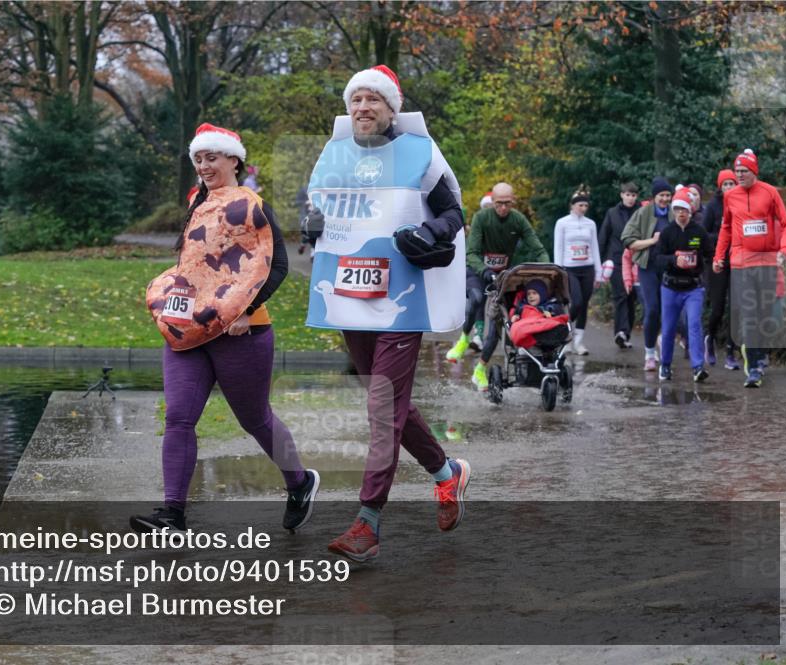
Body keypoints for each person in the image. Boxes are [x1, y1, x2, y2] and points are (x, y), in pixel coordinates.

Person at [303, 65, 470, 563]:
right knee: (391, 402)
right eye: (356, 100)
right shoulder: (334, 153)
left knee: (382, 407)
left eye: (373, 100)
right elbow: (316, 212)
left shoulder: (420, 152)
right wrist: (311, 224)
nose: (363, 108)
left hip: (402, 298)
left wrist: (430, 232)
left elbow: (454, 214)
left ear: (391, 108)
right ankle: (447, 474)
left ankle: (367, 522)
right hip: (349, 297)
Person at [134, 124, 319, 533]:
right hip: (188, 329)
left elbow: (278, 266)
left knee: (255, 420)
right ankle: (172, 514)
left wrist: (245, 310)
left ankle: (299, 482)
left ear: (234, 160)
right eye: (198, 159)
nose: (204, 166)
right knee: (179, 418)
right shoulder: (196, 202)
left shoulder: (251, 205)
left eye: (212, 158)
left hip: (242, 333)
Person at [446, 182, 549, 382]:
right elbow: (472, 253)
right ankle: (464, 339)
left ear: (513, 202)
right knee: (476, 298)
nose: (503, 208)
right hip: (478, 271)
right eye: (499, 203)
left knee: (499, 323)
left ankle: (480, 369)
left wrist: (546, 269)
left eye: (507, 203)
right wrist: (484, 270)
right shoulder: (482, 218)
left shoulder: (518, 220)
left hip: (503, 276)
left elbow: (538, 248)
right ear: (492, 201)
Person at [714, 148, 786, 388]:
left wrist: (784, 250)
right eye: (737, 171)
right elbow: (726, 228)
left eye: (744, 171)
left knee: (765, 314)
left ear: (754, 171)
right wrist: (719, 256)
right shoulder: (731, 196)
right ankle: (755, 367)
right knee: (749, 314)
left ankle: (759, 355)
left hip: (766, 262)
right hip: (741, 262)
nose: (739, 175)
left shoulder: (770, 192)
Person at [656, 187, 713, 382]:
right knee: (669, 328)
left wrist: (713, 263)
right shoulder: (667, 232)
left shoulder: (699, 231)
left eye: (684, 209)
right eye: (677, 209)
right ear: (673, 211)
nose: (681, 213)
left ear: (690, 211)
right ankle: (665, 365)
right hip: (670, 287)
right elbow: (657, 259)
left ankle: (698, 367)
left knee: (694, 324)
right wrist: (674, 259)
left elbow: (710, 254)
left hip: (693, 288)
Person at [621, 176, 675, 371]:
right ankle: (650, 354)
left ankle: (665, 353)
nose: (665, 199)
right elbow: (627, 240)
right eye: (662, 195)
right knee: (652, 310)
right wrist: (652, 241)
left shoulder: (675, 213)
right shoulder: (642, 213)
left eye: (668, 195)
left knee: (669, 312)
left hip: (670, 268)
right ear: (654, 196)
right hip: (647, 268)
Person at [554, 186, 603, 355]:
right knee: (577, 302)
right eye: (580, 205)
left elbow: (595, 247)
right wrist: (558, 271)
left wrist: (599, 271)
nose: (583, 208)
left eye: (586, 206)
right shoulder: (562, 223)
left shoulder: (591, 224)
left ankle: (578, 342)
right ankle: (565, 332)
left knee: (584, 305)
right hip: (570, 269)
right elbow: (558, 247)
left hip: (587, 268)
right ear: (572, 205)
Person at [701, 168, 740, 369]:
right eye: (725, 184)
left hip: (738, 260)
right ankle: (710, 339)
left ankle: (731, 352)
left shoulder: (741, 203)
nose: (729, 187)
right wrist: (724, 237)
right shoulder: (713, 206)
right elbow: (703, 235)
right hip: (718, 261)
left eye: (731, 183)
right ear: (720, 187)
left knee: (736, 307)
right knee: (718, 307)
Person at [599, 182, 640, 349]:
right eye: (628, 195)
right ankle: (621, 332)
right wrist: (600, 262)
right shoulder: (612, 213)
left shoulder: (641, 212)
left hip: (636, 260)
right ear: (622, 195)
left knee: (631, 298)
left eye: (633, 195)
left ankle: (625, 334)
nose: (630, 198)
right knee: (621, 295)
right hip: (616, 260)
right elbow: (603, 236)